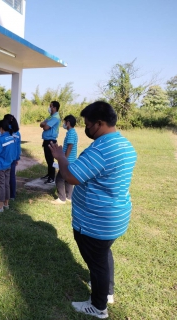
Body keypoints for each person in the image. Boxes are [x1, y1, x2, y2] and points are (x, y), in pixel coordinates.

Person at [49, 101, 137, 319]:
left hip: (96, 220)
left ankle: (98, 306)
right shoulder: (124, 144)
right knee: (102, 255)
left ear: (99, 123)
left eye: (88, 124)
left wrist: (60, 157)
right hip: (115, 216)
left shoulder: (101, 149)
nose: (86, 129)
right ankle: (107, 291)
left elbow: (71, 177)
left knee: (96, 263)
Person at [52, 115, 78, 204]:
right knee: (68, 179)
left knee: (59, 178)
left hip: (68, 160)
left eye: (65, 122)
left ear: (68, 123)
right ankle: (68, 196)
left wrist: (64, 159)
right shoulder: (73, 132)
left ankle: (61, 198)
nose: (64, 124)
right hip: (72, 160)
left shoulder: (71, 133)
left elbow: (70, 147)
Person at [0, 114, 21, 200]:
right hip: (12, 157)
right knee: (11, 177)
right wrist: (17, 158)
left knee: (0, 178)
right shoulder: (17, 132)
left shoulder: (3, 131)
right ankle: (12, 196)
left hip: (3, 157)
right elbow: (18, 146)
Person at [40, 101, 61, 185]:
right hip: (47, 140)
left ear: (55, 108)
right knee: (48, 159)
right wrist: (44, 124)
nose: (49, 108)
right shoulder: (50, 116)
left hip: (51, 141)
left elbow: (45, 127)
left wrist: (44, 124)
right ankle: (49, 174)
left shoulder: (55, 117)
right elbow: (41, 124)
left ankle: (52, 178)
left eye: (51, 106)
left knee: (50, 159)